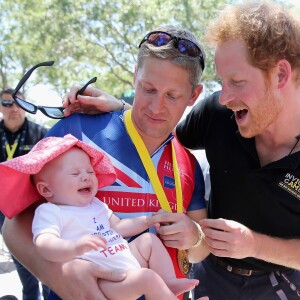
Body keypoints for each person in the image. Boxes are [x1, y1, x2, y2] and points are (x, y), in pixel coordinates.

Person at [56, 2, 300, 299]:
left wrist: (252, 244)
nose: (224, 97)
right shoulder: (217, 113)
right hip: (211, 276)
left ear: (281, 75)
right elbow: (162, 128)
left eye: (236, 81)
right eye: (223, 82)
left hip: (279, 283)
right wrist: (122, 109)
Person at [2, 25, 208, 300]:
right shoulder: (77, 131)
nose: (156, 106)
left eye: (172, 96)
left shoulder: (187, 162)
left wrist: (194, 236)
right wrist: (61, 278)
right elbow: (13, 226)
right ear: (135, 77)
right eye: (148, 89)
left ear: (194, 95)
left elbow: (199, 249)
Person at [0, 134, 199, 299]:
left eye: (89, 171)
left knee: (148, 240)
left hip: (122, 258)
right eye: (75, 173)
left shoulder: (95, 204)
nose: (86, 176)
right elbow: (44, 244)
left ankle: (169, 282)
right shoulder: (50, 212)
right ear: (46, 189)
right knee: (147, 278)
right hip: (105, 280)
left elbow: (119, 227)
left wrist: (147, 221)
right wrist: (74, 247)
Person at [0, 88, 49, 300]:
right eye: (7, 103)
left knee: (47, 265)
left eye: (19, 103)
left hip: (36, 207)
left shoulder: (41, 134)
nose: (13, 108)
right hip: (4, 207)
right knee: (22, 265)